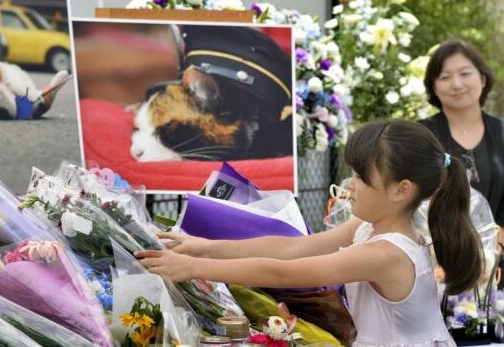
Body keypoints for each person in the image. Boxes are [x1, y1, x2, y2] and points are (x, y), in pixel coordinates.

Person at [136, 119, 483, 346]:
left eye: (362, 177)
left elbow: (281, 270)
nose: (351, 185)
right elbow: (291, 248)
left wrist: (193, 267)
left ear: (401, 190)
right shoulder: (369, 227)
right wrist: (202, 247)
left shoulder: (386, 254)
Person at [420, 39, 504, 231]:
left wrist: (496, 250)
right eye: (445, 77)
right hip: (434, 252)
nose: (456, 84)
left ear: (483, 79)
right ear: (433, 87)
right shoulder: (421, 136)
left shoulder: (502, 132)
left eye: (465, 74)